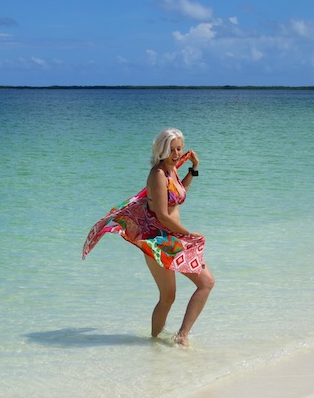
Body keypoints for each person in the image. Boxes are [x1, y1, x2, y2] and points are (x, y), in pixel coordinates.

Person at [82, 128, 215, 347]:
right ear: (161, 150)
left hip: (174, 237)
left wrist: (193, 170)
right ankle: (155, 343)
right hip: (161, 240)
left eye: (179, 149)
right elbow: (162, 214)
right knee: (169, 296)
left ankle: (179, 336)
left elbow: (178, 196)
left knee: (205, 283)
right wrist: (188, 233)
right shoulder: (158, 174)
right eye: (170, 150)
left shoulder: (171, 171)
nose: (175, 153)